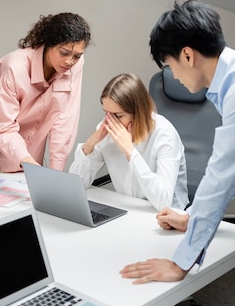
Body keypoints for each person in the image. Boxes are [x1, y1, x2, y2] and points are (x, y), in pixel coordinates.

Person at [120, 0, 235, 284]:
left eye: (170, 65)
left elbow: (222, 174)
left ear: (188, 56)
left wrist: (181, 262)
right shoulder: (229, 80)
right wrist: (192, 219)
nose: (173, 76)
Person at [0, 12, 91, 172]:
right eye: (64, 53)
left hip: (25, 139)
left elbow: (65, 119)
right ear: (49, 43)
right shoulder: (14, 67)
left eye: (76, 56)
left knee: (32, 187)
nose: (69, 61)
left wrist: (56, 172)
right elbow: (4, 128)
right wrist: (26, 160)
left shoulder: (75, 64)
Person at [69, 73, 188, 211]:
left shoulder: (165, 134)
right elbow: (76, 185)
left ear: (139, 112)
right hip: (129, 211)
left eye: (118, 116)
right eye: (106, 113)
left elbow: (163, 202)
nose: (110, 121)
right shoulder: (106, 131)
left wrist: (130, 152)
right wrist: (89, 144)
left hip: (167, 217)